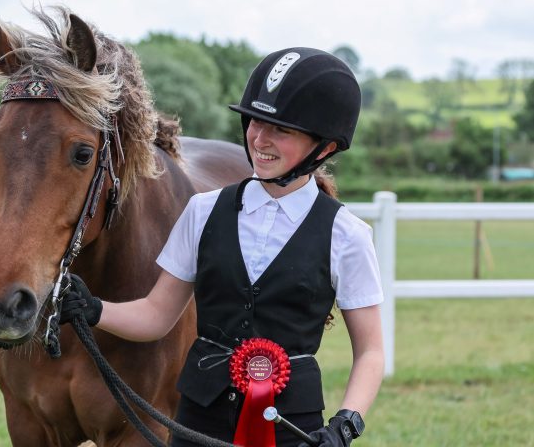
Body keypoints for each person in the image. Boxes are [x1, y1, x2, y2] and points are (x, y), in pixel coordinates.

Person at [60, 47, 384, 447]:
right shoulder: (202, 211)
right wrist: (92, 309)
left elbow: (370, 352)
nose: (260, 139)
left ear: (326, 147)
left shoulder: (347, 235)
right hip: (198, 422)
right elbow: (156, 315)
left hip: (292, 429)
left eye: (281, 129)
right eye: (255, 122)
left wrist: (345, 425)